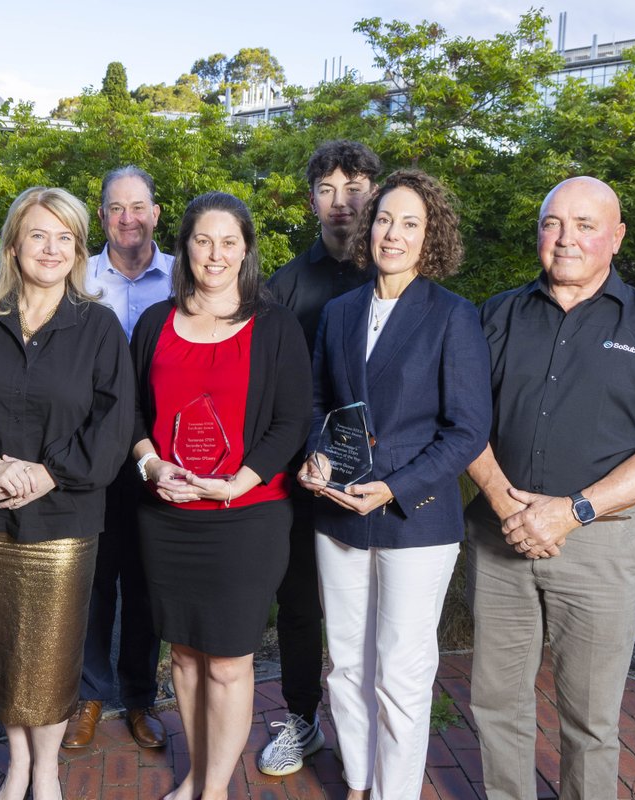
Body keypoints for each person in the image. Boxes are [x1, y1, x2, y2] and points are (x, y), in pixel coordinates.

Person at [465, 176, 635, 800]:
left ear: (616, 236)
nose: (565, 238)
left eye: (584, 225)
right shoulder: (495, 315)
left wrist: (573, 510)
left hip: (601, 545)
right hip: (499, 535)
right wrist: (497, 496)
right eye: (552, 223)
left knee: (590, 721)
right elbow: (463, 421)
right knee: (495, 704)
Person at [0, 186, 134, 800]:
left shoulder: (98, 325)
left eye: (64, 237)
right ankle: (17, 762)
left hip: (64, 514)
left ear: (77, 248)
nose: (51, 248)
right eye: (38, 235)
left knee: (48, 654)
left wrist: (49, 473)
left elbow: (115, 418)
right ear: (13, 244)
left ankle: (45, 771)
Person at [304, 169, 490, 800]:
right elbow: (317, 404)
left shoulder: (453, 316)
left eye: (410, 223)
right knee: (348, 665)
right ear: (368, 226)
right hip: (339, 513)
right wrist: (316, 457)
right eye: (384, 219)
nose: (393, 233)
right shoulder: (338, 312)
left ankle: (395, 792)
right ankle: (360, 782)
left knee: (402, 674)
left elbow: (467, 432)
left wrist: (394, 487)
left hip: (417, 515)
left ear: (429, 235)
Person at [130, 191, 312, 800]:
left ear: (246, 250)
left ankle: (214, 791)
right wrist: (151, 465)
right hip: (168, 518)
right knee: (182, 656)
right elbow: (131, 412)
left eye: (228, 241)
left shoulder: (275, 325)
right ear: (184, 247)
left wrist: (242, 480)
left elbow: (290, 420)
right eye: (203, 240)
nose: (215, 253)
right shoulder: (156, 321)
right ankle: (195, 776)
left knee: (230, 661)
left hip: (247, 517)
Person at [260, 140, 381, 777]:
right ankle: (303, 720)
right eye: (329, 191)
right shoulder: (283, 286)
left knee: (374, 611)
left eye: (356, 188)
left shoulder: (394, 274)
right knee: (302, 603)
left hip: (383, 478)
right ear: (312, 201)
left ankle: (377, 731)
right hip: (304, 474)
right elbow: (274, 389)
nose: (343, 203)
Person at [64, 165, 174, 751]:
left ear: (156, 212)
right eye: (115, 208)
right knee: (94, 580)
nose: (127, 218)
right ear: (102, 214)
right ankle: (89, 694)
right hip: (92, 451)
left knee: (147, 580)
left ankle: (138, 697)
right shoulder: (78, 276)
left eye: (138, 207)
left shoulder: (184, 277)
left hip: (162, 455)